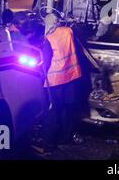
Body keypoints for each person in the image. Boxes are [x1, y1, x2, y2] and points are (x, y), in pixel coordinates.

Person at [38, 13, 82, 153]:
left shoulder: (48, 39)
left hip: (55, 81)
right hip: (71, 77)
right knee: (67, 110)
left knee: (52, 111)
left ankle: (49, 142)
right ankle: (66, 137)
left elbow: (46, 61)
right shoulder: (68, 32)